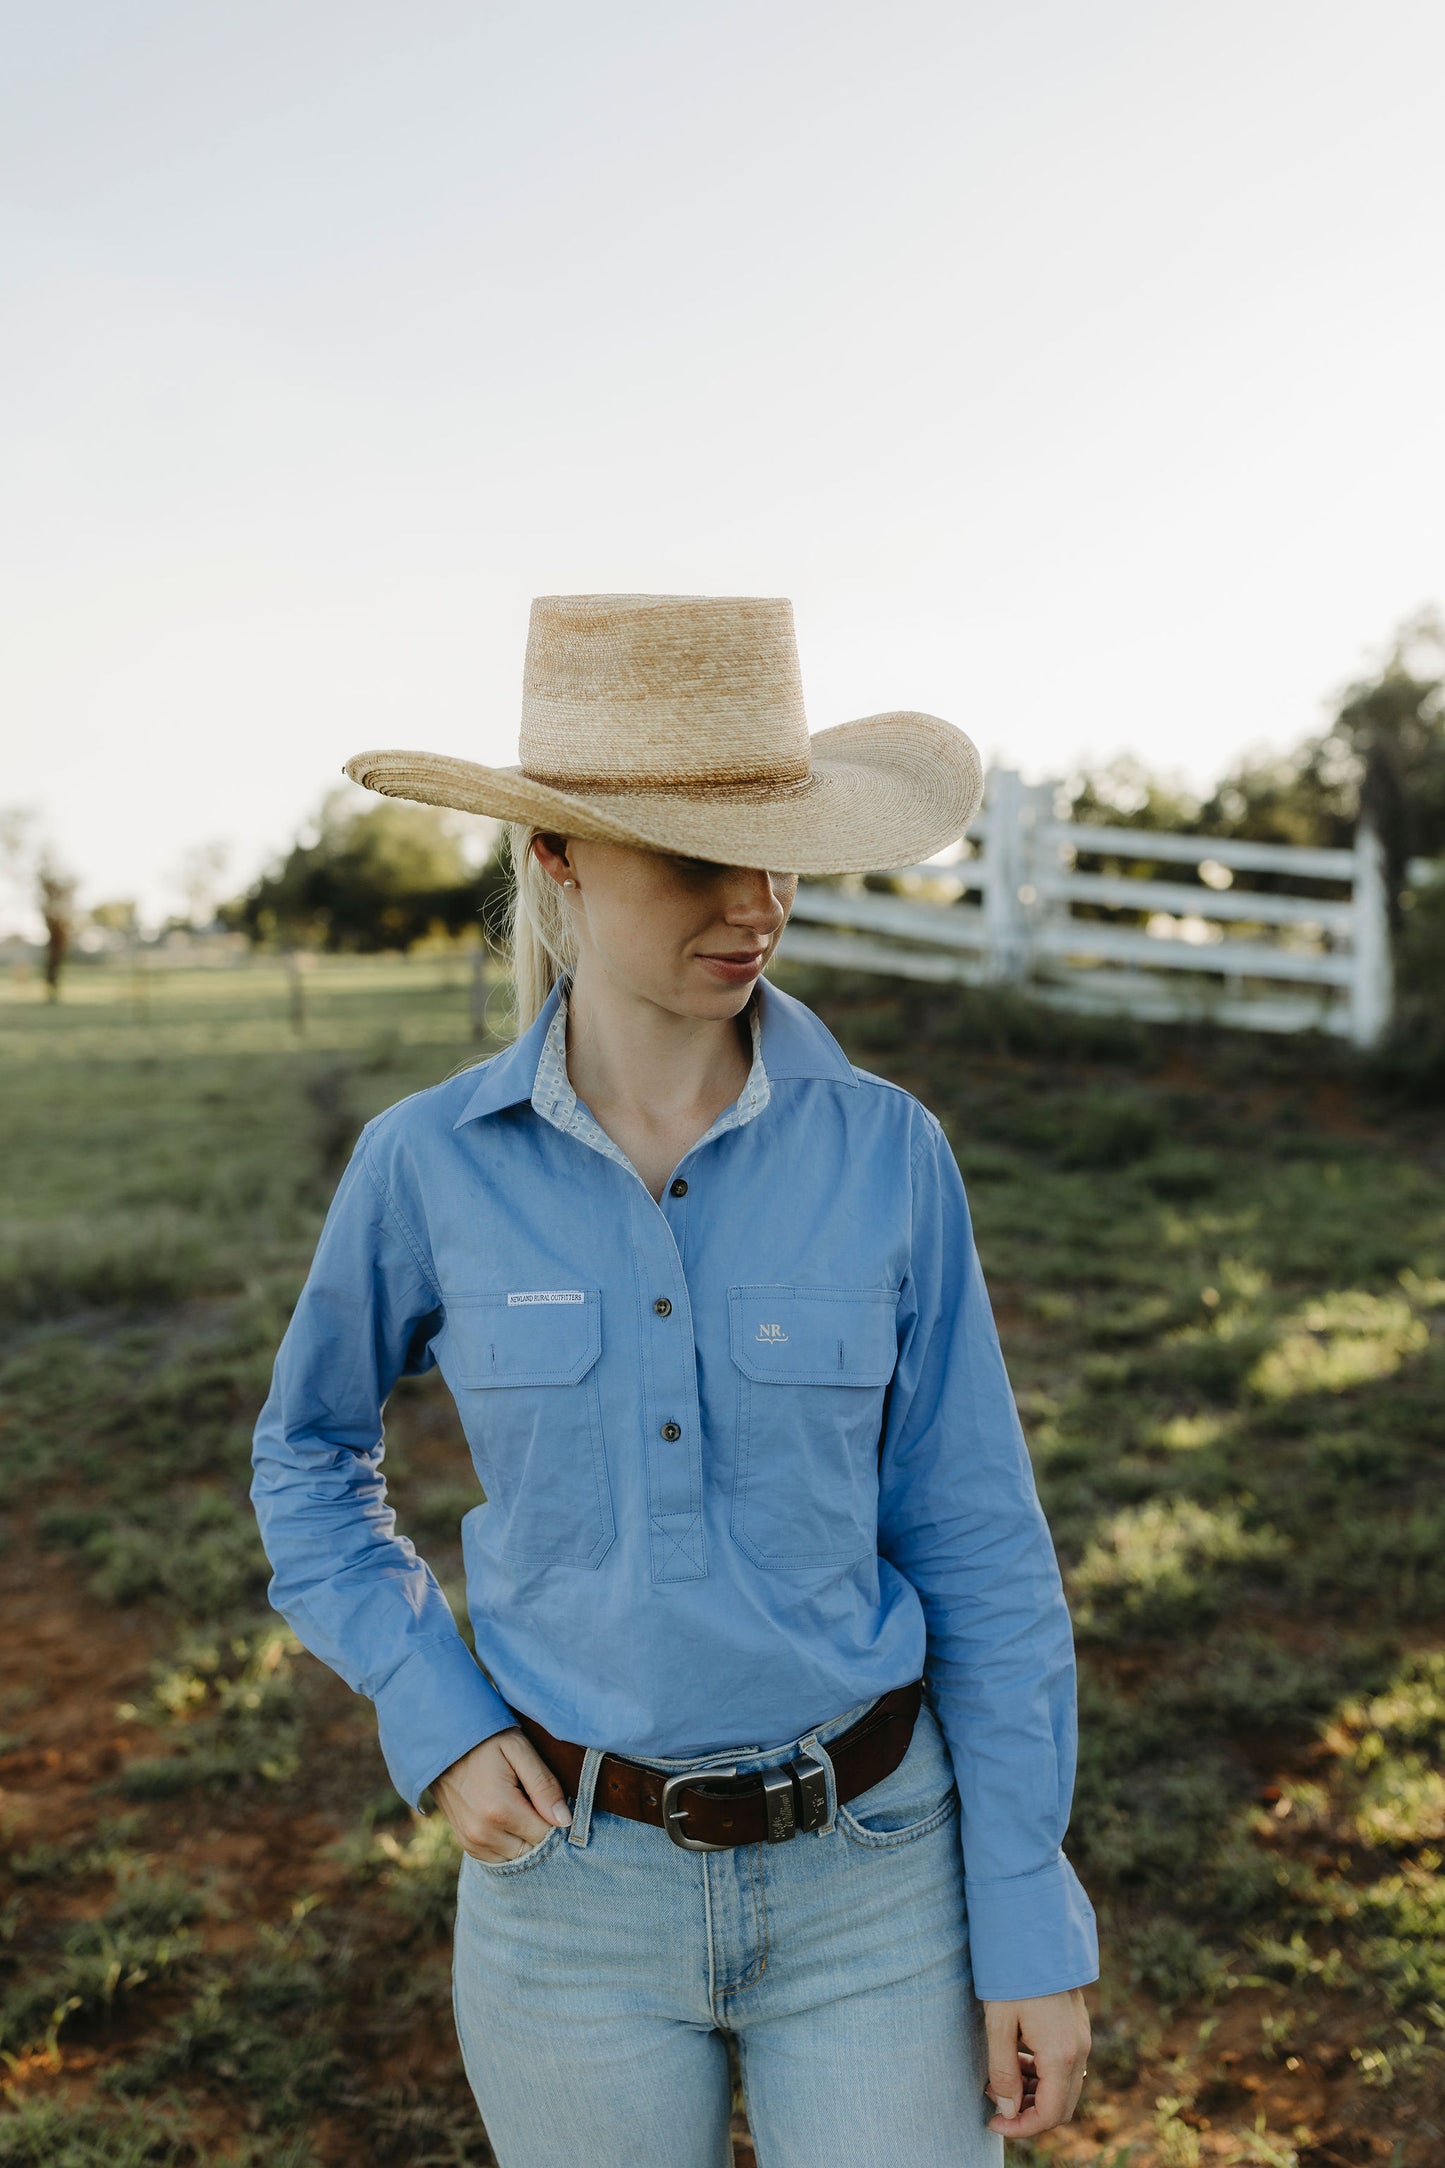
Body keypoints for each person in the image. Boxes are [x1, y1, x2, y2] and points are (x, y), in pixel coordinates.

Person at [250, 593, 1098, 2168]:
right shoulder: (424, 1166)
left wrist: (1026, 1912)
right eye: (695, 859)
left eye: (777, 848)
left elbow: (979, 1542)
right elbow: (304, 1457)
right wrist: (430, 1710)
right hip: (568, 1899)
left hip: (877, 1877)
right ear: (557, 862)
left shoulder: (889, 1153)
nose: (757, 902)